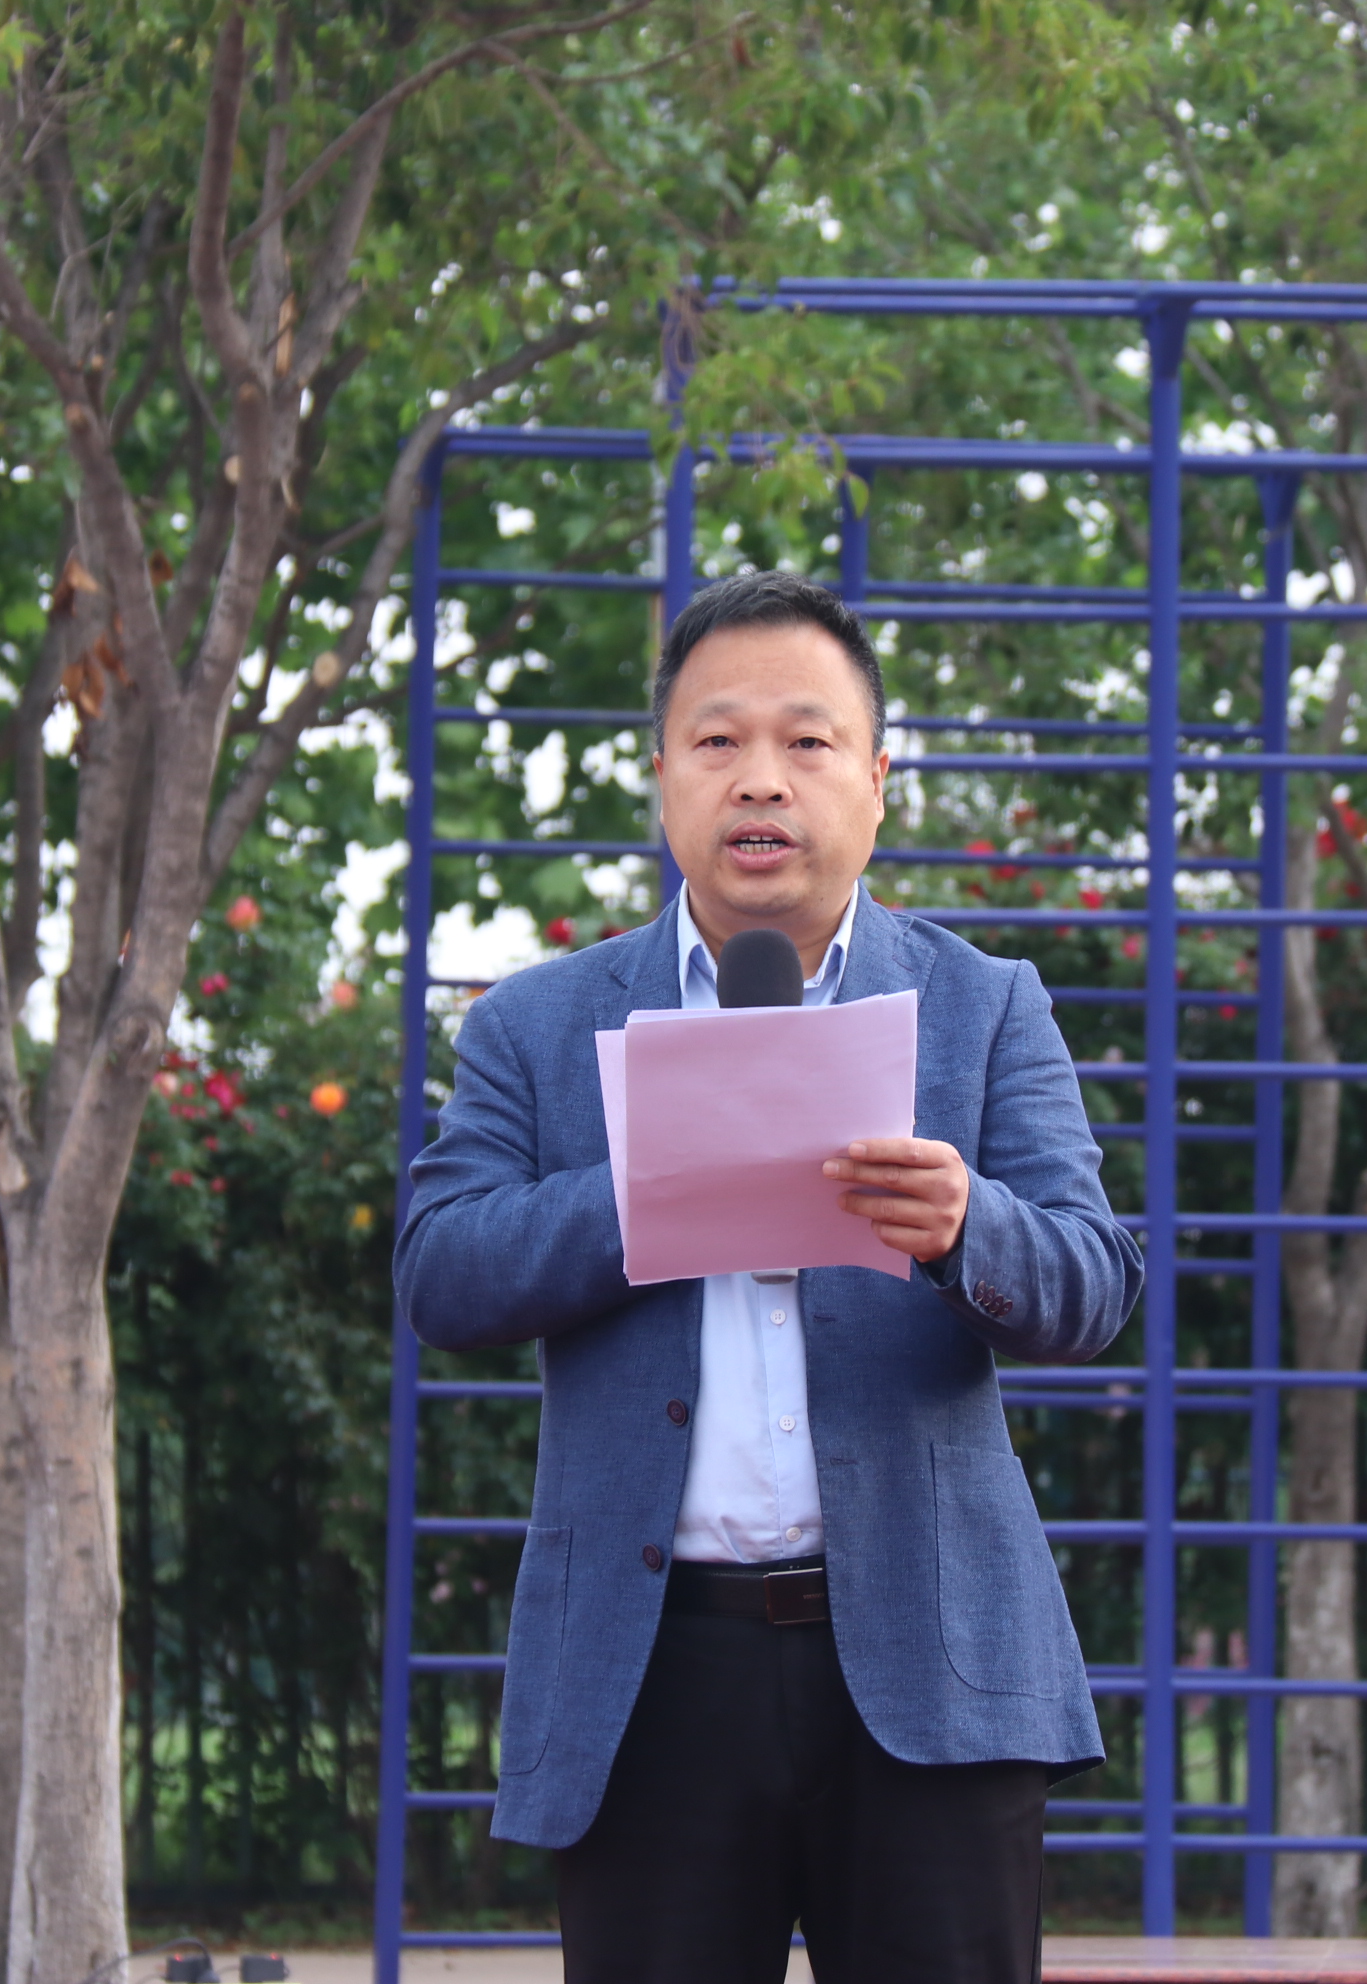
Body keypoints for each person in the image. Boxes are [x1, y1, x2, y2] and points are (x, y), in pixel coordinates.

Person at [395, 570, 1144, 1984]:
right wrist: (656, 1192)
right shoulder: (535, 1026)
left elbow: (1096, 1283)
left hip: (931, 1665)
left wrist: (963, 1226)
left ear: (877, 779)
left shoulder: (984, 1006)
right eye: (718, 740)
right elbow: (443, 1271)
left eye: (807, 741)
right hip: (650, 1674)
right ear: (662, 775)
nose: (761, 779)